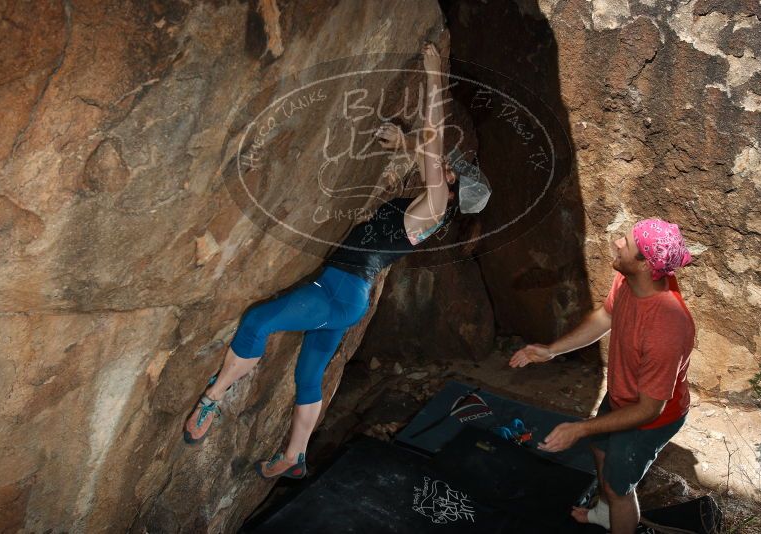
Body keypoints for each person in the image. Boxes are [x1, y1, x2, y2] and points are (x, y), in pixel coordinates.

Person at [183, 43, 486, 480]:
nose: (447, 168)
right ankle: (295, 456)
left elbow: (433, 140)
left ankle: (212, 399)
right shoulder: (431, 209)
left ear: (454, 186)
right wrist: (402, 141)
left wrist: (437, 74)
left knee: (257, 323)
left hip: (338, 289)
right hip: (348, 299)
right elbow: (427, 155)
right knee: (308, 377)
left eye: (453, 171)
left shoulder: (435, 208)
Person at [509, 219, 694, 534]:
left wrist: (579, 428)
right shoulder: (629, 280)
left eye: (627, 242)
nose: (618, 243)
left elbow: (650, 409)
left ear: (647, 265)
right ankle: (604, 513)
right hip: (624, 394)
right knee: (599, 448)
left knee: (618, 487)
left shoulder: (667, 325)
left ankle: (617, 513)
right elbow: (607, 316)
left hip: (650, 416)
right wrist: (552, 350)